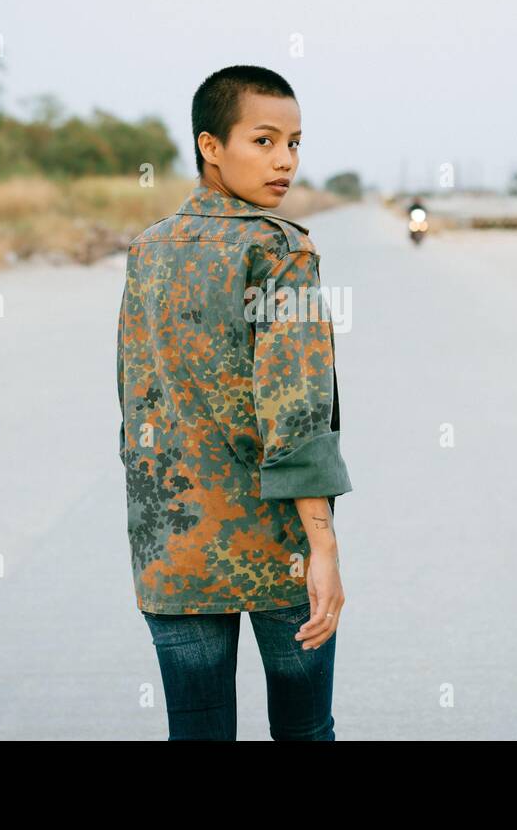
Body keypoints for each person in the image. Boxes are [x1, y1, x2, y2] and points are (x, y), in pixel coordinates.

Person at [116, 65, 353, 740]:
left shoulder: (147, 250)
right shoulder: (281, 252)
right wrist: (323, 549)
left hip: (172, 545)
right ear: (210, 147)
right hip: (277, 546)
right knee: (305, 734)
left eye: (295, 143)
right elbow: (298, 413)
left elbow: (134, 400)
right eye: (264, 140)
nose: (284, 160)